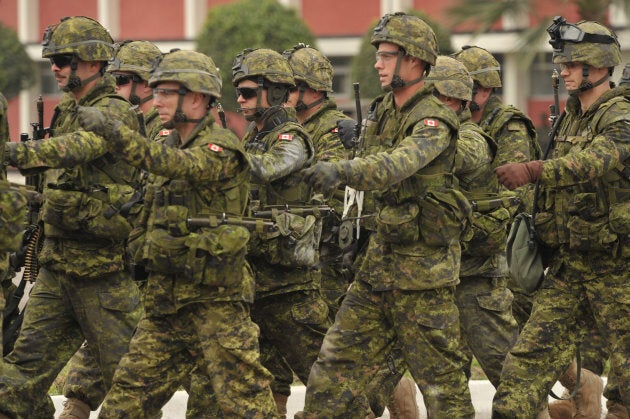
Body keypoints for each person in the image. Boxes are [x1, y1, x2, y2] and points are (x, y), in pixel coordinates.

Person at [77, 48, 279, 417]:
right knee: (124, 403)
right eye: (156, 91)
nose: (158, 100)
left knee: (247, 405)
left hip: (216, 304)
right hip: (166, 303)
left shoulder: (221, 148)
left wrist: (113, 132)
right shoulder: (168, 144)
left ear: (199, 98)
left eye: (168, 92)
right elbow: (147, 211)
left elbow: (179, 165)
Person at [296, 12, 475, 418]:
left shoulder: (434, 118)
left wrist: (340, 171)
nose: (377, 62)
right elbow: (368, 158)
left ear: (414, 60)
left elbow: (396, 164)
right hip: (378, 266)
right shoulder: (384, 111)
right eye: (378, 54)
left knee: (442, 386)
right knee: (330, 372)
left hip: (424, 272)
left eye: (387, 55)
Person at [0, 16, 143, 418]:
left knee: (132, 388)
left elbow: (79, 147)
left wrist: (12, 153)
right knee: (16, 382)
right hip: (57, 269)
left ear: (95, 62)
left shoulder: (115, 111)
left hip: (103, 276)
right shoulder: (66, 110)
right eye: (52, 61)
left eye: (64, 59)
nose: (56, 69)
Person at [493, 16, 630, 418]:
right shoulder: (570, 115)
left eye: (571, 64)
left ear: (599, 66)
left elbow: (595, 161)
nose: (563, 71)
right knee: (524, 368)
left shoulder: (620, 115)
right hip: (569, 269)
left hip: (617, 269)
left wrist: (535, 170)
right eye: (561, 65)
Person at [284, 43, 419, 418]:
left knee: (346, 345)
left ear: (309, 89)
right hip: (312, 254)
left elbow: (346, 195)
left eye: (289, 87)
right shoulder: (297, 129)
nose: (282, 95)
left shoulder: (335, 130)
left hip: (337, 252)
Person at [58, 39, 164, 419]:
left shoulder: (164, 127)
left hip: (155, 248)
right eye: (115, 78)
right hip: (127, 245)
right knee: (106, 331)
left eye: (125, 79)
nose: (117, 87)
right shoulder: (124, 117)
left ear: (148, 82)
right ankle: (80, 402)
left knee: (140, 341)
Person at [231, 47, 333, 415]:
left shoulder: (293, 138)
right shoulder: (251, 138)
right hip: (256, 279)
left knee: (326, 381)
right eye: (237, 93)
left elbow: (269, 169)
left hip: (291, 287)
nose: (239, 101)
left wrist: (218, 155)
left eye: (246, 93)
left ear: (273, 93)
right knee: (262, 381)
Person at [426, 55, 520, 388]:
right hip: (439, 270)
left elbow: (517, 192)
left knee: (511, 373)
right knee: (447, 378)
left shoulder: (494, 129)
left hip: (482, 263)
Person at [452, 45, 541, 330]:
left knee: (527, 338)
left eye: (464, 88)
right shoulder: (455, 124)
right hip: (467, 247)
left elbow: (516, 196)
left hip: (505, 248)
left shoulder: (508, 126)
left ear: (484, 90)